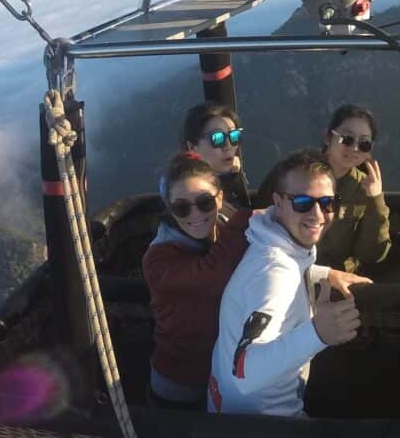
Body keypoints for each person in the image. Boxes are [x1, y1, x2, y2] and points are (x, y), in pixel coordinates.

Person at [208, 150, 373, 416]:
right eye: (303, 202)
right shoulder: (275, 274)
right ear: (279, 202)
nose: (318, 215)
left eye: (327, 202)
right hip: (262, 422)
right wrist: (318, 333)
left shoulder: (270, 238)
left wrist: (322, 273)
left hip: (228, 408)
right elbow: (245, 374)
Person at [142, 151, 255, 410]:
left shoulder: (226, 230)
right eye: (181, 207)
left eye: (205, 202)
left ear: (220, 198)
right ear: (170, 210)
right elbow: (213, 276)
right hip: (180, 386)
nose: (195, 214)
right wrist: (246, 219)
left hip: (227, 376)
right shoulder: (158, 260)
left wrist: (323, 273)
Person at [262, 104, 390, 273]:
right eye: (347, 139)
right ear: (328, 137)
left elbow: (372, 254)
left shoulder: (364, 188)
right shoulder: (293, 173)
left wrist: (375, 200)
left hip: (338, 280)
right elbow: (260, 220)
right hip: (285, 268)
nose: (354, 148)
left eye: (364, 143)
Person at [182, 102, 252, 211]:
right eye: (217, 138)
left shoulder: (231, 176)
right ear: (192, 147)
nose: (228, 146)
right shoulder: (189, 195)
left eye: (234, 136)